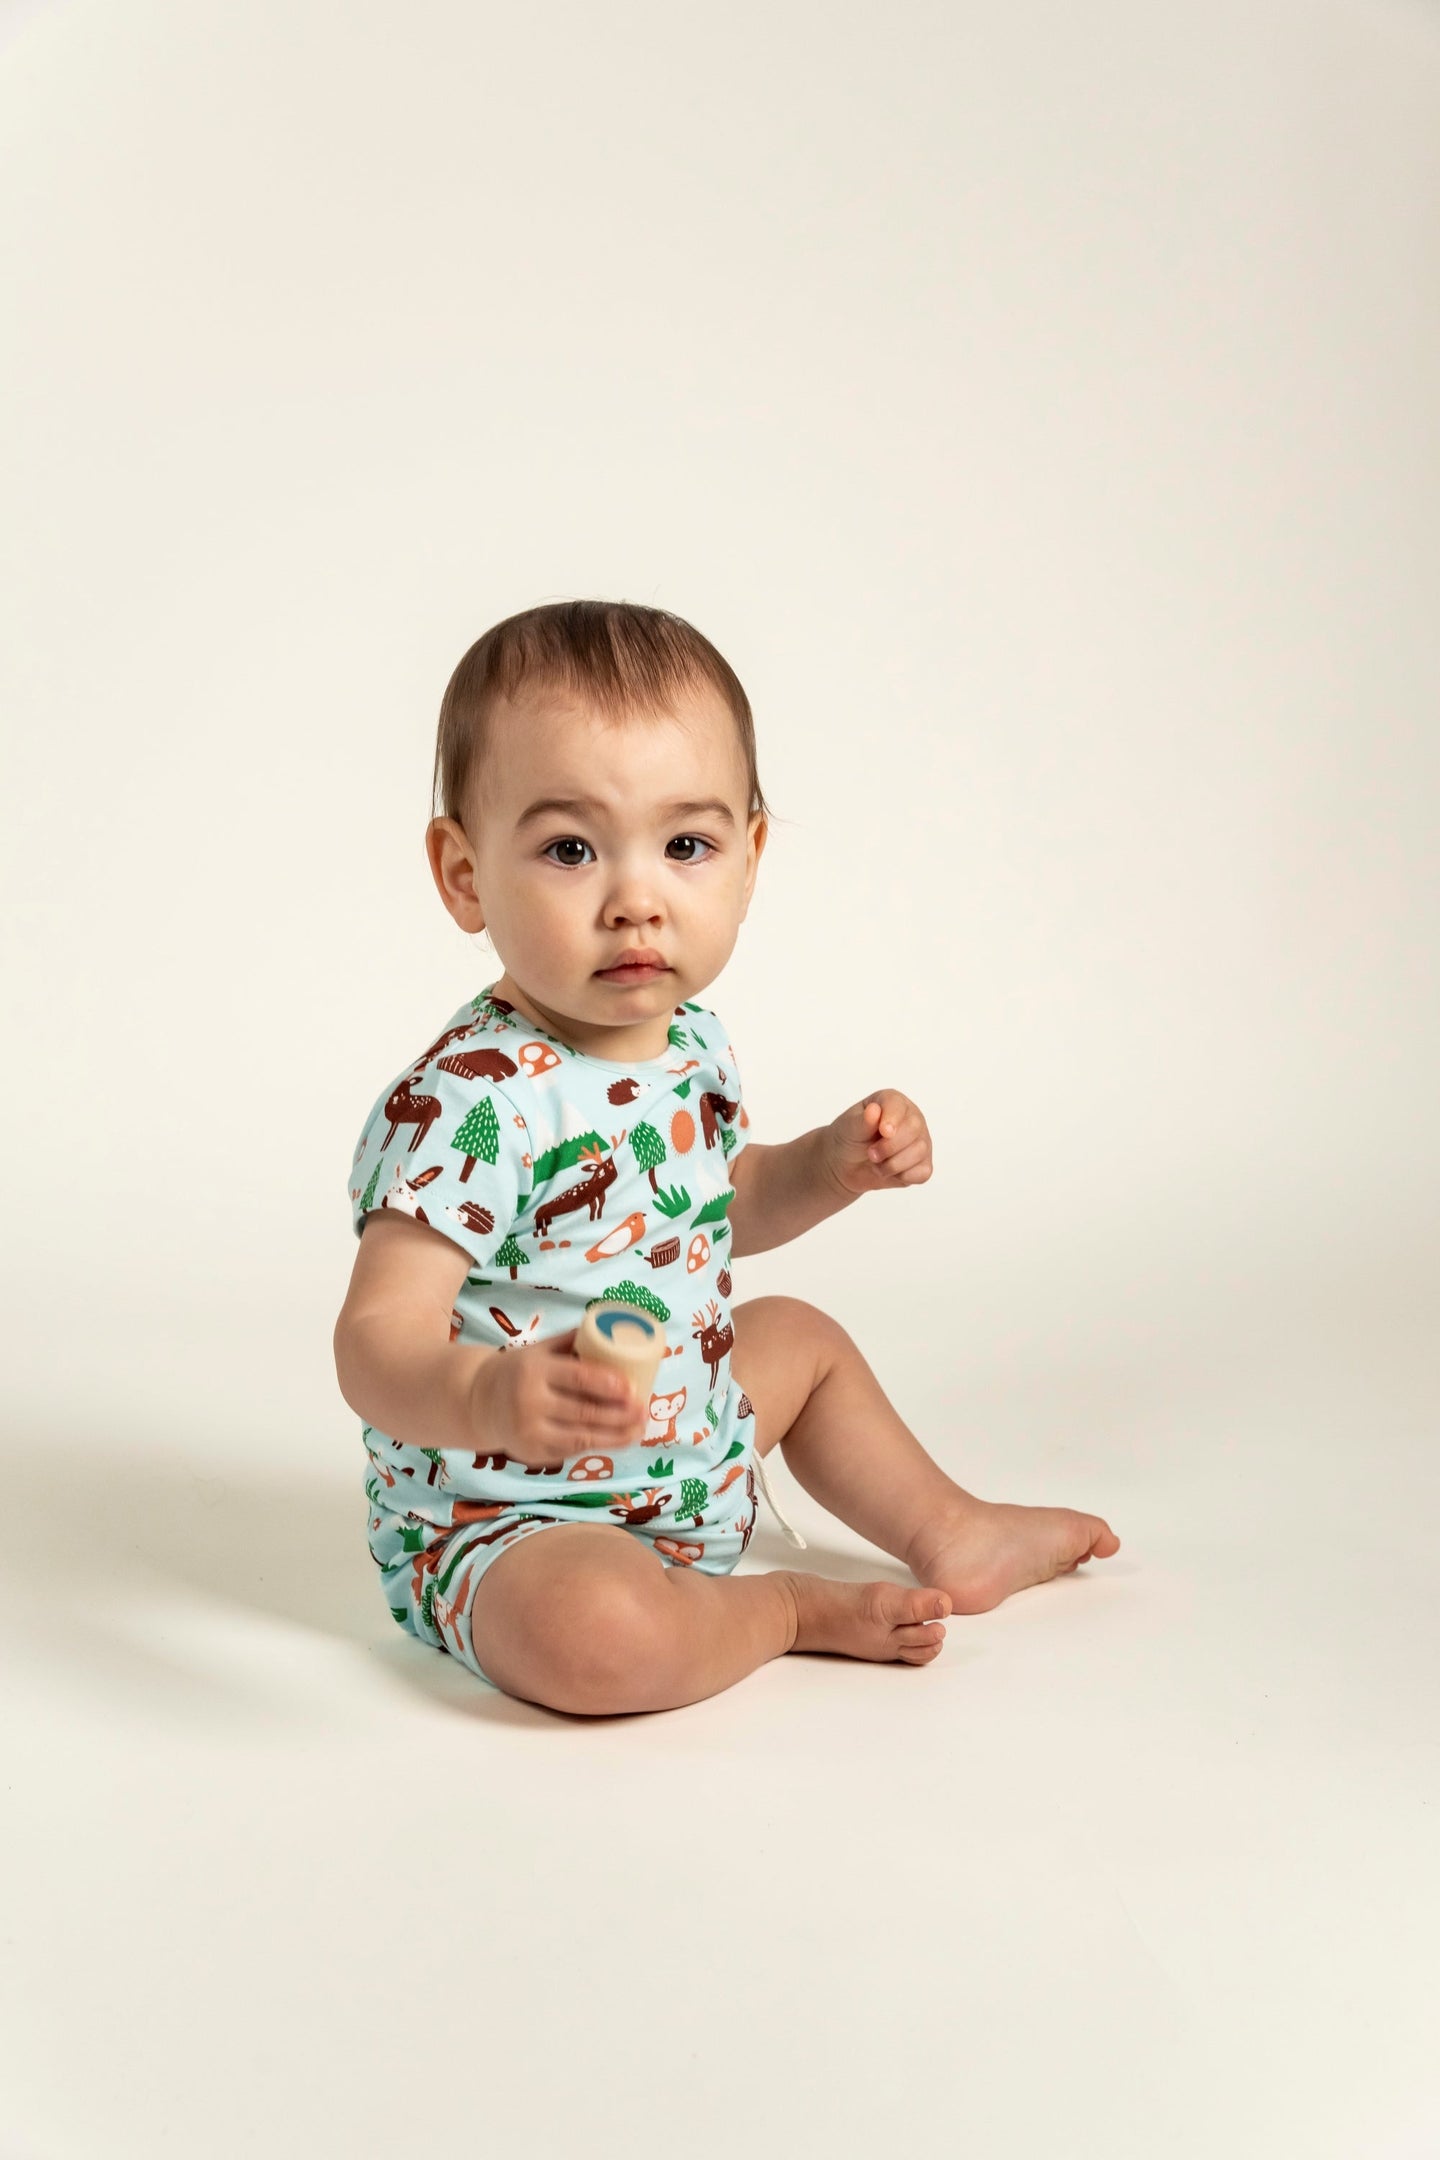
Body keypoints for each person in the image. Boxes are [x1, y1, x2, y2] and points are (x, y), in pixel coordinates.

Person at [333, 598, 1120, 1715]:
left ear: (749, 860)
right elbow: (373, 1342)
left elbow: (715, 1205)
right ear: (464, 875)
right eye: (570, 849)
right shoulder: (470, 1104)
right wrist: (489, 1397)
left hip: (685, 1436)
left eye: (686, 845)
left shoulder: (690, 1040)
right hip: (510, 1520)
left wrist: (827, 1169)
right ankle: (784, 1610)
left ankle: (952, 1528)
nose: (636, 901)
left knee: (800, 1336)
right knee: (598, 1640)